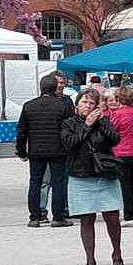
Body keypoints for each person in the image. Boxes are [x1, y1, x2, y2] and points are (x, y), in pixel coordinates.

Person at [62, 88, 124, 265]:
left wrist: (101, 122)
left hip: (104, 175)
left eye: (91, 103)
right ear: (77, 105)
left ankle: (117, 253)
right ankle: (90, 260)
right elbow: (69, 143)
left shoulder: (103, 121)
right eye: (84, 102)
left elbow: (115, 139)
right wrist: (87, 125)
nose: (87, 106)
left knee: (112, 217)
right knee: (86, 219)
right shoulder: (68, 124)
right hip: (81, 176)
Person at [16, 74, 73, 228]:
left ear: (41, 88)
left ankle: (35, 217)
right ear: (55, 88)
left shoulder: (29, 106)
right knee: (58, 183)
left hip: (36, 151)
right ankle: (58, 217)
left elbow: (21, 131)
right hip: (58, 151)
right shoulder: (63, 106)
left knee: (35, 182)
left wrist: (21, 152)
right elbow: (68, 130)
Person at [106, 86, 133, 226]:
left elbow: (111, 132)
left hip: (121, 152)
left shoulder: (117, 114)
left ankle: (128, 216)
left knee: (124, 185)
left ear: (118, 99)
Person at [39, 71, 75, 223]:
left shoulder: (67, 101)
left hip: (64, 148)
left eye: (63, 82)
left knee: (64, 181)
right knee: (45, 182)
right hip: (47, 147)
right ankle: (41, 211)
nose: (61, 85)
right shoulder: (44, 101)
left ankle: (64, 209)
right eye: (58, 82)